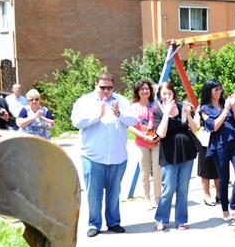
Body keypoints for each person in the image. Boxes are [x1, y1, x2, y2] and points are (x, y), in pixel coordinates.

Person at [71, 73, 137, 238]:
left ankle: (113, 222)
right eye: (102, 87)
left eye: (109, 88)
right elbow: (76, 122)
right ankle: (94, 224)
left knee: (114, 193)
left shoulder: (121, 101)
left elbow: (133, 120)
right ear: (96, 85)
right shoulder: (84, 101)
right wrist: (97, 115)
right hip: (93, 157)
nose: (106, 91)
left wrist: (119, 114)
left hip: (117, 156)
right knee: (94, 194)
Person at [153, 81, 199, 231]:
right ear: (159, 95)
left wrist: (188, 115)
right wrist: (166, 113)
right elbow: (161, 133)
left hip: (186, 152)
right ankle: (161, 218)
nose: (167, 96)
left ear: (174, 93)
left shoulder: (182, 106)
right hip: (169, 154)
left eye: (169, 93)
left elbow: (194, 128)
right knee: (168, 188)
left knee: (183, 189)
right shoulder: (158, 111)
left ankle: (181, 220)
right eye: (164, 93)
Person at [200, 78, 235, 221]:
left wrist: (232, 107)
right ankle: (225, 210)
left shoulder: (225, 103)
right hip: (219, 145)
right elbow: (213, 126)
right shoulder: (204, 108)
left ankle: (234, 205)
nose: (219, 91)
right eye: (216, 89)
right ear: (209, 91)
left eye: (220, 88)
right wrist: (226, 110)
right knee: (224, 179)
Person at [127, 80, 161, 208]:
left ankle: (158, 197)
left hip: (157, 141)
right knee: (144, 171)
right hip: (142, 142)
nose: (145, 91)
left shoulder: (156, 105)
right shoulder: (134, 107)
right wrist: (145, 137)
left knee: (158, 170)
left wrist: (157, 137)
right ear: (137, 91)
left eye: (147, 88)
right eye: (142, 89)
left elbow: (163, 121)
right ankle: (147, 198)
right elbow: (130, 126)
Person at [194, 104, 221, 207]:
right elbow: (196, 125)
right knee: (205, 168)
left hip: (218, 139)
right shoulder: (201, 107)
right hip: (205, 140)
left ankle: (219, 193)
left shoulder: (219, 105)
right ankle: (206, 194)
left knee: (219, 167)